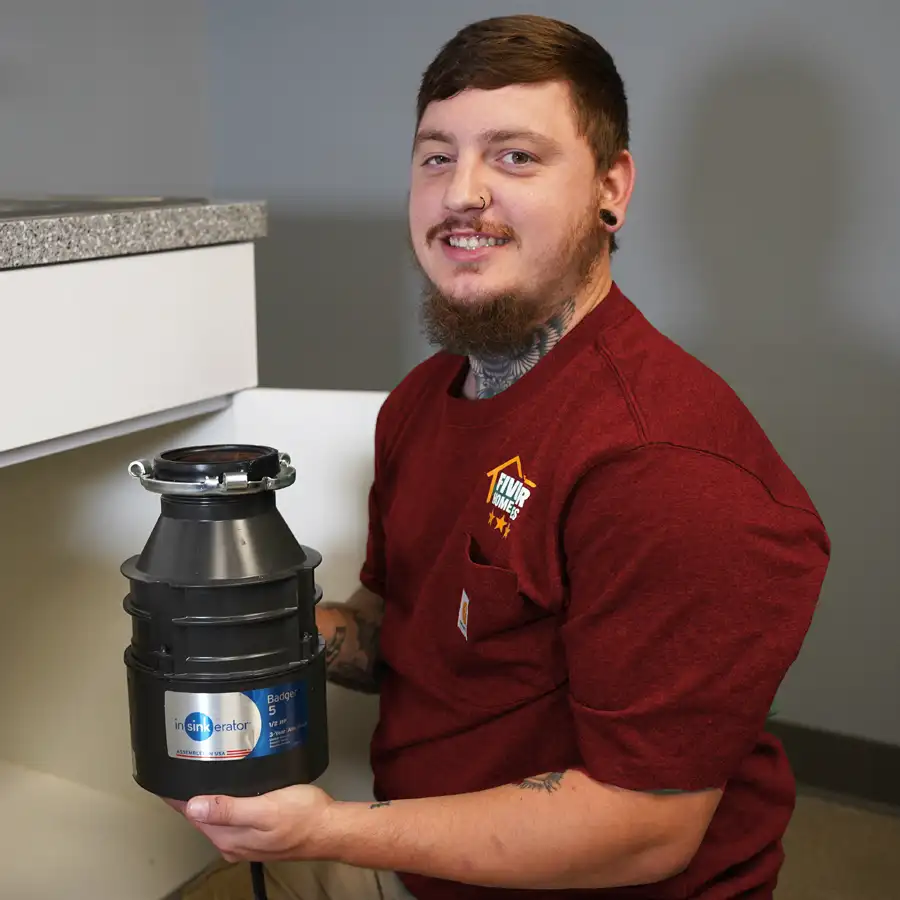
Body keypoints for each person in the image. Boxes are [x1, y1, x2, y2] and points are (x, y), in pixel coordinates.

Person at [172, 14, 831, 900]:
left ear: (612, 187)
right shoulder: (421, 404)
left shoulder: (664, 465)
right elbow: (400, 633)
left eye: (515, 157)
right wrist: (231, 624)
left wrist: (328, 830)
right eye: (436, 157)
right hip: (429, 868)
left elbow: (644, 831)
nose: (461, 194)